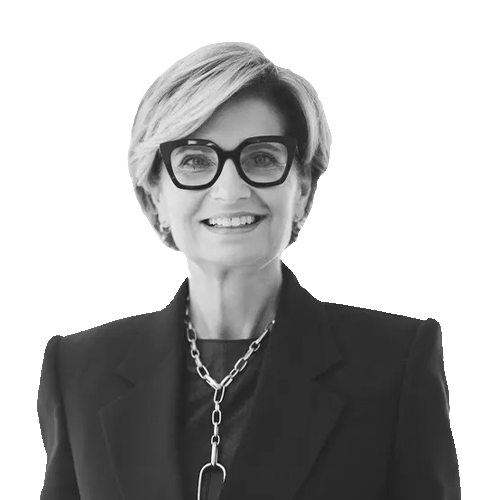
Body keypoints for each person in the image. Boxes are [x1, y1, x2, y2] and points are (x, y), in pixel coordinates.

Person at [38, 42, 460, 500]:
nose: (231, 190)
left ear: (302, 190)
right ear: (155, 197)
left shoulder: (396, 364)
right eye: (195, 160)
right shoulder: (78, 370)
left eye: (261, 158)